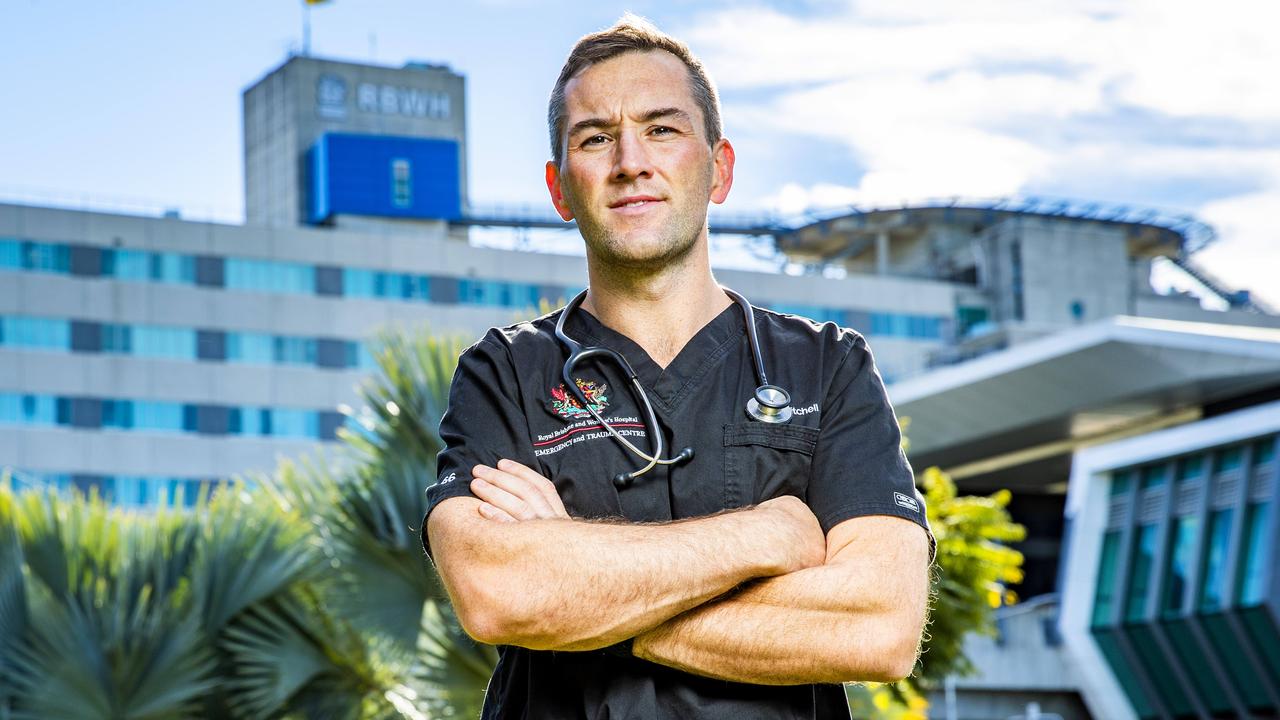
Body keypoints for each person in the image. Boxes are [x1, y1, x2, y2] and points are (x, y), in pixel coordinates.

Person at [422, 15, 935, 719]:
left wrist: (579, 586)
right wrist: (768, 536)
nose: (631, 160)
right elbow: (499, 594)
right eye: (596, 137)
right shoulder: (504, 373)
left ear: (719, 169)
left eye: (662, 129)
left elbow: (879, 626)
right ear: (559, 189)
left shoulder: (828, 368)